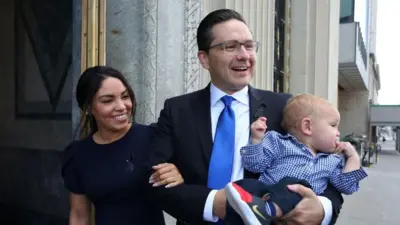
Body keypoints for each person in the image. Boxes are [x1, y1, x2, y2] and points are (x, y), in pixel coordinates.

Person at [147, 9, 344, 225]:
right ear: (204, 59)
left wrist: (322, 209)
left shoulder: (284, 108)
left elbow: (329, 164)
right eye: (230, 47)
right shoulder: (178, 110)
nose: (244, 55)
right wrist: (213, 203)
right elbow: (152, 180)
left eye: (249, 46)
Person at [61, 66, 184, 225]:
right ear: (88, 108)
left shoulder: (154, 137)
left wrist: (179, 175)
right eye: (107, 100)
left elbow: (192, 183)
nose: (121, 106)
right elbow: (79, 216)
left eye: (125, 96)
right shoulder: (78, 155)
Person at [225, 94, 368, 225]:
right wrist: (256, 139)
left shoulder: (333, 160)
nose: (338, 133)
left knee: (297, 186)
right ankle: (257, 210)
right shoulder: (278, 142)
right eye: (333, 125)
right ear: (307, 127)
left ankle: (265, 211)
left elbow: (346, 186)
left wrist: (353, 158)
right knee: (245, 184)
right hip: (266, 193)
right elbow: (254, 165)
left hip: (298, 209)